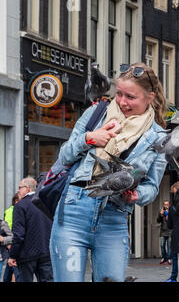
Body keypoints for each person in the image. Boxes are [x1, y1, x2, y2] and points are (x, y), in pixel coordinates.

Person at [49, 62, 168, 282]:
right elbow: (64, 156)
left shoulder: (159, 138)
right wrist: (89, 139)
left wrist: (137, 195)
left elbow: (152, 186)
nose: (122, 102)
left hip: (114, 220)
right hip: (74, 212)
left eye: (130, 97)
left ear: (150, 97)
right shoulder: (97, 112)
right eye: (119, 94)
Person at [8, 177, 53, 282]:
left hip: (26, 254)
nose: (18, 190)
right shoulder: (46, 203)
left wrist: (13, 255)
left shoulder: (20, 205)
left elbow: (18, 234)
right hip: (46, 252)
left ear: (28, 189)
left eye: (20, 187)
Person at [3, 193, 20, 282]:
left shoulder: (19, 209)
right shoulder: (10, 211)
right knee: (15, 270)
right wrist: (9, 243)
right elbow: (8, 229)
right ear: (16, 201)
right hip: (13, 244)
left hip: (15, 244)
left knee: (11, 271)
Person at [157, 200, 172, 264]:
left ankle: (169, 258)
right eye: (165, 204)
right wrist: (161, 214)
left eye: (167, 204)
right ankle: (164, 257)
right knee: (162, 245)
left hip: (170, 231)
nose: (166, 206)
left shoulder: (171, 212)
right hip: (163, 231)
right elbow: (158, 221)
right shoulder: (161, 211)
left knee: (169, 246)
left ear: (169, 205)